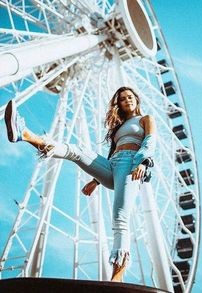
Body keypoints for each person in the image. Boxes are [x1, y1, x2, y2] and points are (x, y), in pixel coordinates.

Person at [4, 86, 156, 282]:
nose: (127, 100)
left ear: (137, 99)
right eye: (122, 99)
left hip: (131, 166)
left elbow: (150, 142)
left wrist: (143, 162)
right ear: (118, 104)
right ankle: (24, 134)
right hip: (113, 165)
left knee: (120, 218)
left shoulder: (145, 119)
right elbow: (111, 156)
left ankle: (117, 278)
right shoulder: (118, 128)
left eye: (130, 97)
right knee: (76, 151)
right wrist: (96, 180)